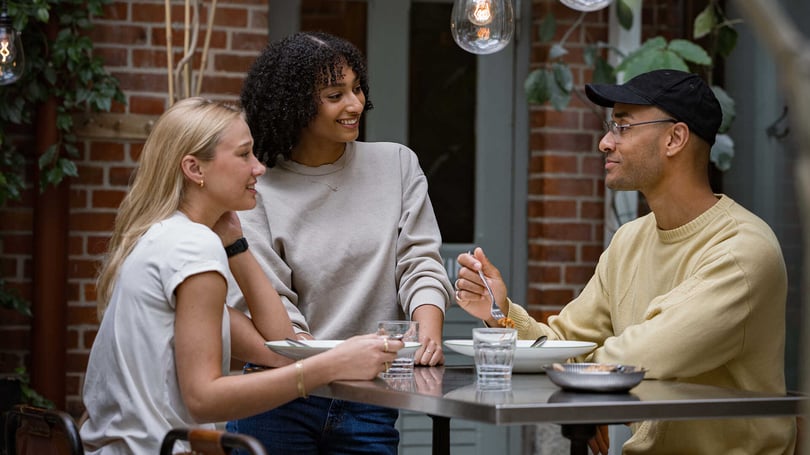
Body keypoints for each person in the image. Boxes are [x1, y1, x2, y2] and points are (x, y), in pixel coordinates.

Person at [455, 69, 797, 454]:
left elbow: (639, 358)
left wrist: (590, 387)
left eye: (622, 126)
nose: (604, 142)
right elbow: (568, 347)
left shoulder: (743, 251)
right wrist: (500, 311)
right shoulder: (629, 240)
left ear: (674, 138)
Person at [79, 97, 403, 454]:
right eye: (244, 154)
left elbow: (281, 348)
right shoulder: (192, 248)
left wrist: (237, 245)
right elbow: (203, 399)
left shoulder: (166, 237)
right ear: (194, 169)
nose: (259, 168)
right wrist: (331, 365)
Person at [225, 31, 453, 454]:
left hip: (370, 397)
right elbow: (266, 299)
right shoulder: (257, 186)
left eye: (357, 88)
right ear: (294, 104)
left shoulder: (396, 165)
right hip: (279, 394)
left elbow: (419, 261)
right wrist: (324, 364)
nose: (355, 104)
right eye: (335, 95)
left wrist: (428, 332)